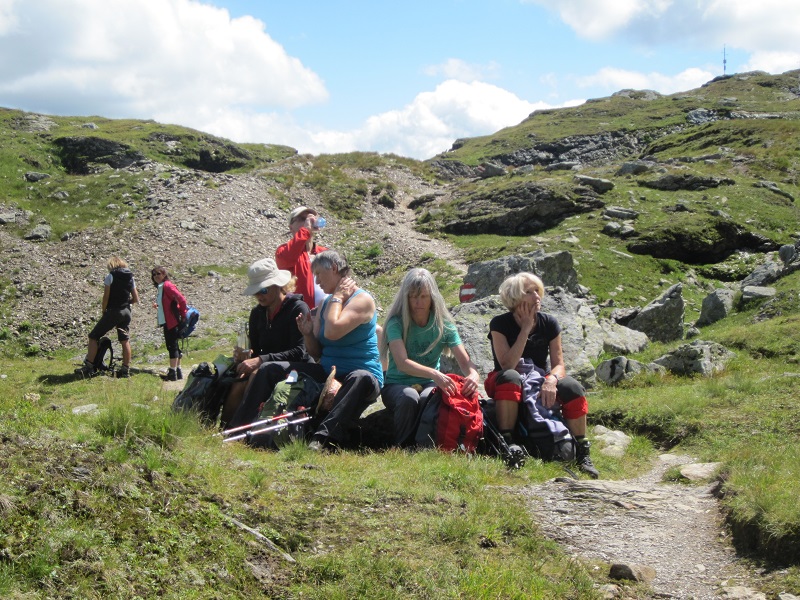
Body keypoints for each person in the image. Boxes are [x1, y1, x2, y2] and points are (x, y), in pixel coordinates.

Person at [226, 250, 383, 452]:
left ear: (334, 269)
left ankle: (322, 439)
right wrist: (308, 334)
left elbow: (334, 331)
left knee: (359, 377)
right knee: (269, 369)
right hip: (328, 370)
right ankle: (238, 429)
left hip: (362, 375)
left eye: (318, 274)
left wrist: (337, 297)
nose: (316, 282)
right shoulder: (326, 302)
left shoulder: (362, 300)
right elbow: (316, 353)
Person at [486, 272, 599, 478]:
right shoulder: (499, 324)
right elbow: (506, 364)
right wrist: (526, 329)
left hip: (540, 378)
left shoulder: (549, 323)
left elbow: (559, 365)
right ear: (515, 297)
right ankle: (508, 442)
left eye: (537, 291)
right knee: (511, 377)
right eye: (528, 292)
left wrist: (551, 379)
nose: (536, 296)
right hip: (505, 380)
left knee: (573, 387)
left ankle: (582, 450)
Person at [379, 268, 480, 447]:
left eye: (424, 296)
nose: (418, 302)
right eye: (413, 296)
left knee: (429, 397)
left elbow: (464, 361)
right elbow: (402, 364)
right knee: (409, 397)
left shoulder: (444, 325)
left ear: (432, 297)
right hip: (396, 384)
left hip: (429, 384)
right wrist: (434, 374)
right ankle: (402, 445)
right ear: (405, 297)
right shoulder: (396, 323)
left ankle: (424, 447)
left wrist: (473, 375)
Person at [219, 258, 312, 426]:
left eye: (263, 290)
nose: (259, 296)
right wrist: (246, 355)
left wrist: (261, 360)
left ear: (277, 285)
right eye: (255, 292)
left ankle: (242, 427)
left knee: (256, 374)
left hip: (296, 368)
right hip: (267, 365)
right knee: (241, 378)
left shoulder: (297, 308)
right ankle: (226, 427)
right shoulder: (257, 313)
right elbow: (255, 348)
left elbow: (300, 351)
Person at [76, 256, 140, 378]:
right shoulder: (130, 277)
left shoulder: (110, 276)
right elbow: (136, 299)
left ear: (111, 265)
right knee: (124, 340)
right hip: (127, 312)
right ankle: (125, 369)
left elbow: (106, 297)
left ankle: (88, 366)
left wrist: (104, 310)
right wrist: (126, 303)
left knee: (93, 336)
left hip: (114, 311)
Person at [275, 206, 327, 311]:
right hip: (299, 315)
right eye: (302, 219)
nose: (308, 221)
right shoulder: (283, 251)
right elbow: (288, 257)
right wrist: (305, 231)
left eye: (311, 218)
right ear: (291, 227)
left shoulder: (324, 252)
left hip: (323, 316)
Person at [151, 266, 188, 381]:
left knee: (171, 346)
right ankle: (178, 370)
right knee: (174, 345)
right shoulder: (162, 287)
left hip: (171, 321)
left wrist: (183, 313)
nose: (156, 276)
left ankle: (172, 373)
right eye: (154, 275)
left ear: (164, 274)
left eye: (158, 273)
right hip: (169, 320)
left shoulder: (167, 285)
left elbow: (181, 299)